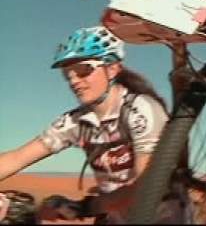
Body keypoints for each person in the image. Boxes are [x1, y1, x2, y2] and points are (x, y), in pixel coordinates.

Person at [0, 26, 194, 224]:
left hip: (160, 217)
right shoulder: (75, 122)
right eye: (67, 74)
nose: (74, 81)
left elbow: (146, 187)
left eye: (83, 70)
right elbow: (17, 157)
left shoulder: (141, 110)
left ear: (112, 69)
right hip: (115, 215)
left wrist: (85, 207)